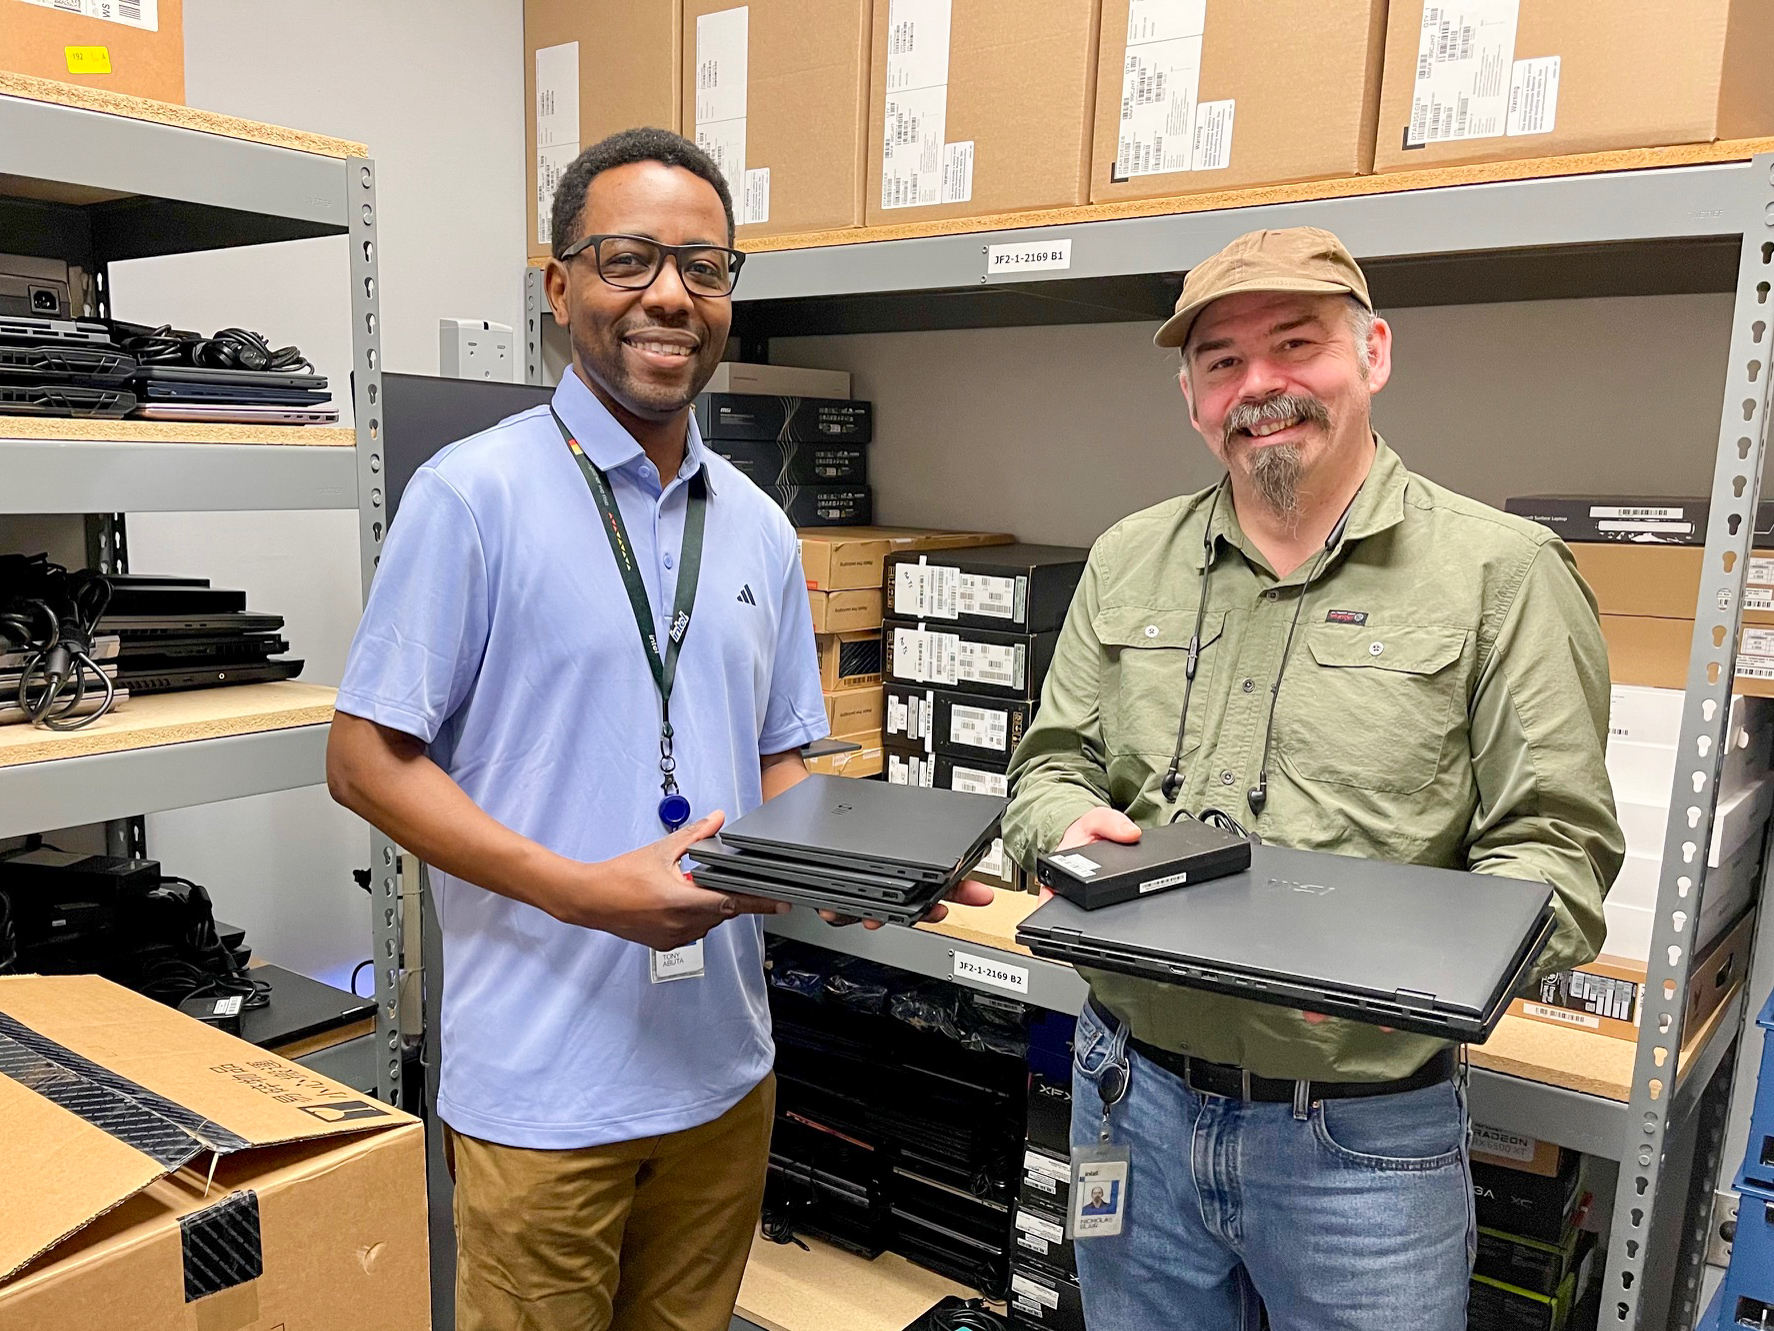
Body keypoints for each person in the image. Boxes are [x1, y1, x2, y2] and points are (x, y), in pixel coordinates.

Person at [327, 128, 987, 1331]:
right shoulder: (471, 497)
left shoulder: (760, 527)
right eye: (629, 259)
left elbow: (785, 755)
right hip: (543, 1090)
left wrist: (857, 869)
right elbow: (365, 760)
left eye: (705, 266)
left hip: (722, 1073)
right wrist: (584, 890)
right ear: (561, 283)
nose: (671, 295)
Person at [1002, 226, 1622, 1331]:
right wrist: (1061, 824)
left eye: (1297, 344)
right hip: (1127, 1091)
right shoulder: (1126, 556)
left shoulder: (1501, 574)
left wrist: (1375, 965)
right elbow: (1049, 765)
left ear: (1373, 353)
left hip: (1358, 1137)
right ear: (1190, 394)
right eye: (1222, 362)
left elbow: (1555, 860)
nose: (1260, 386)